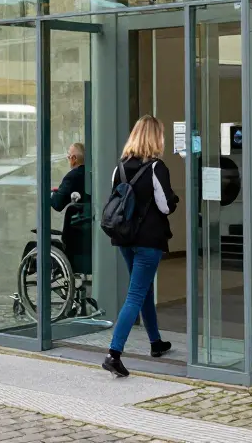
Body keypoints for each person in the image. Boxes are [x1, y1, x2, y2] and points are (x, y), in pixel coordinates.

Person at [103, 115, 178, 378]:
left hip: (126, 239)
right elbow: (165, 206)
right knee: (136, 294)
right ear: (156, 137)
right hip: (149, 241)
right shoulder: (157, 167)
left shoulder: (119, 168)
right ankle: (114, 354)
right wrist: (175, 197)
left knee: (143, 290)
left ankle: (156, 342)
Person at [50, 143, 90, 276]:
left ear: (74, 159)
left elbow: (57, 204)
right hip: (90, 237)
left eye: (68, 157)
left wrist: (50, 194)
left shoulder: (72, 176)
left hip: (75, 241)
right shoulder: (91, 174)